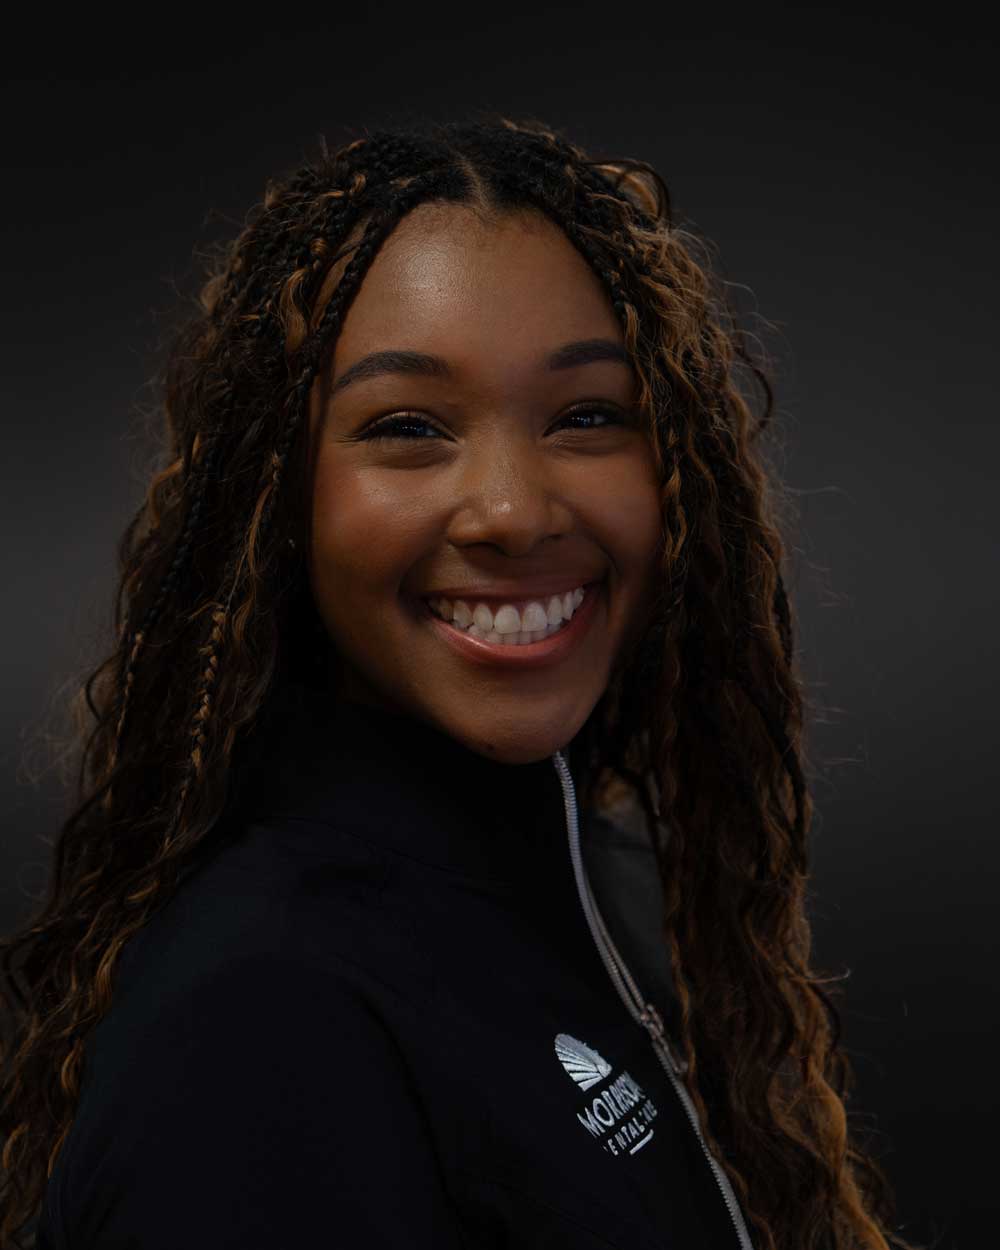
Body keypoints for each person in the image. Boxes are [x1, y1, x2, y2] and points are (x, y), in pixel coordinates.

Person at [0, 116, 919, 1250]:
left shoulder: (588, 853)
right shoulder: (265, 1019)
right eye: (408, 427)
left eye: (587, 414)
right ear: (280, 498)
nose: (515, 510)